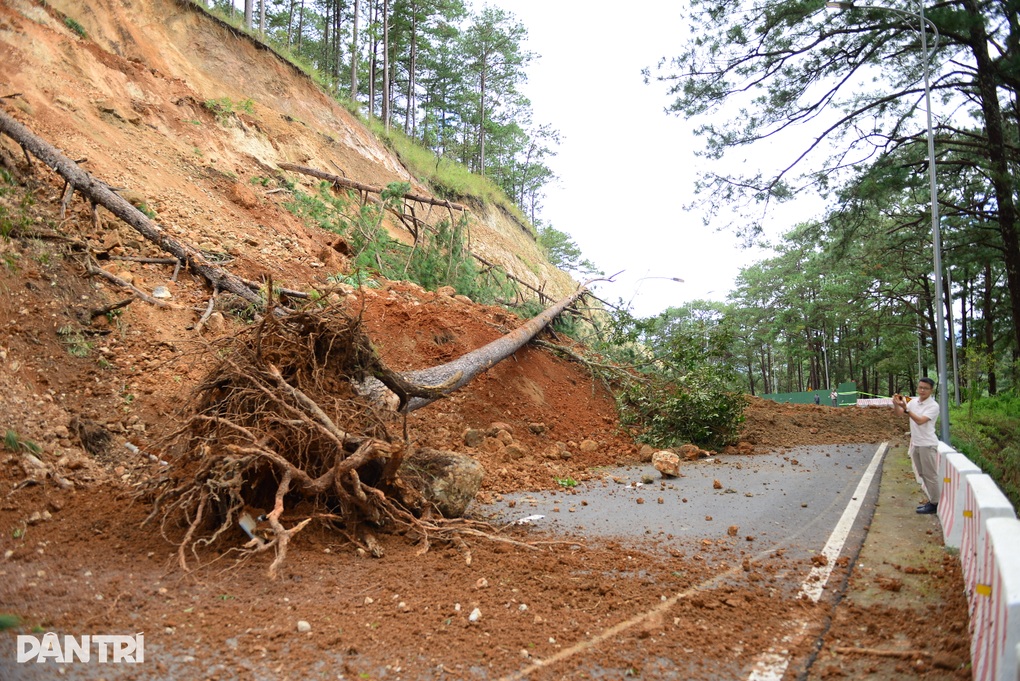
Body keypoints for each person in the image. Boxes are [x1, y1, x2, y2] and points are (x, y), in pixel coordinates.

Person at [892, 377, 941, 514]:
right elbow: (899, 414)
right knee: (922, 474)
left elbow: (920, 421)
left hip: (928, 444)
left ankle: (935, 503)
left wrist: (906, 410)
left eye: (925, 388)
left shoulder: (933, 406)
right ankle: (932, 501)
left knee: (930, 475)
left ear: (931, 390)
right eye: (920, 387)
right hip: (916, 443)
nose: (922, 390)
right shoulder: (913, 403)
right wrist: (896, 404)